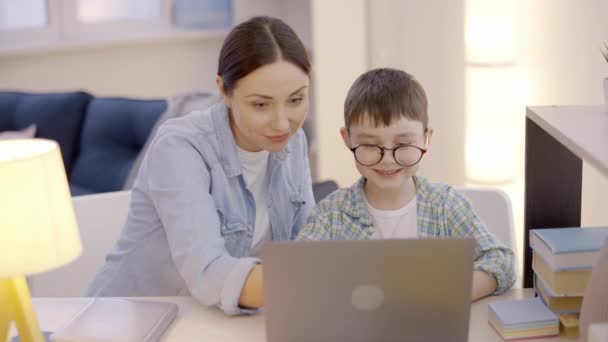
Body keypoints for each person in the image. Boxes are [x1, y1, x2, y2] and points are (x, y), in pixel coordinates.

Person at [87, 16, 315, 315]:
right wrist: (315, 281)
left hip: (206, 320)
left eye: (296, 99)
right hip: (124, 321)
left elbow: (309, 244)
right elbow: (208, 272)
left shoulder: (292, 142)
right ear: (224, 90)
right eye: (261, 104)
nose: (282, 122)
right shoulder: (180, 148)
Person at [297, 68, 515, 301]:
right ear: (347, 139)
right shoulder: (330, 214)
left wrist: (452, 292)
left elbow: (502, 262)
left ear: (426, 138)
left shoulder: (445, 205)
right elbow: (298, 273)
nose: (388, 159)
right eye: (370, 145)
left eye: (403, 144)